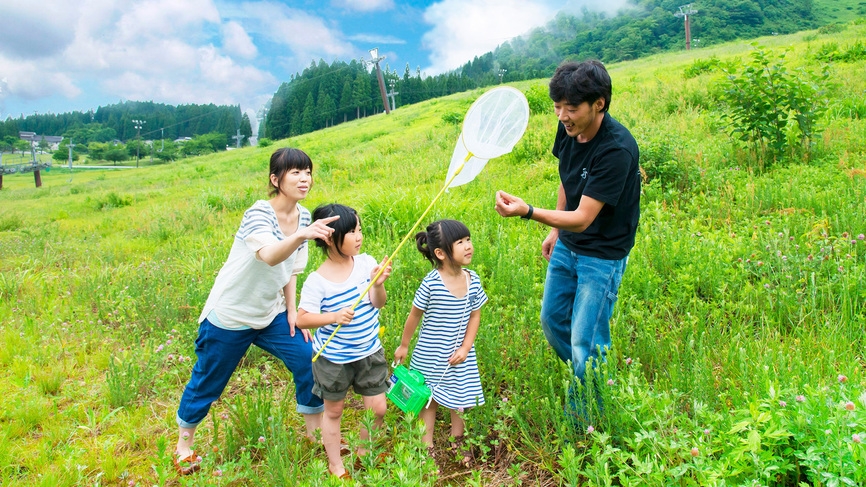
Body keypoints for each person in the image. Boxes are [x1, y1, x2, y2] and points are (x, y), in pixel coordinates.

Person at [172, 147, 338, 475]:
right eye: (295, 172)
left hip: (271, 312)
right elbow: (270, 255)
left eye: (307, 171)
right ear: (276, 180)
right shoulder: (258, 213)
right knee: (209, 379)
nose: (305, 178)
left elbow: (290, 270)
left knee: (309, 359)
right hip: (231, 314)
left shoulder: (304, 217)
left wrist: (292, 312)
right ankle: (183, 446)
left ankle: (313, 434)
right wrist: (302, 235)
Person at [494, 60, 641, 410]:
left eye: (571, 108)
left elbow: (584, 217)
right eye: (558, 106)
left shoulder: (616, 149)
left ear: (599, 104)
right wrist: (556, 231)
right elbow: (567, 177)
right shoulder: (570, 128)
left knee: (586, 340)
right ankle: (592, 376)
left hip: (601, 254)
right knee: (552, 320)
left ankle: (588, 423)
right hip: (569, 243)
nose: (562, 115)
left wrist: (529, 212)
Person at [296, 203, 393, 480]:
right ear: (328, 237)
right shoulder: (317, 281)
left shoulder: (365, 262)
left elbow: (379, 304)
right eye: (352, 232)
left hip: (369, 351)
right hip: (334, 359)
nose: (359, 236)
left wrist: (377, 284)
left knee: (378, 408)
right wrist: (333, 316)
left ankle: (364, 452)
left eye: (360, 229)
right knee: (334, 411)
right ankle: (336, 464)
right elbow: (302, 319)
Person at [394, 219, 488, 466]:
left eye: (468, 240)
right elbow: (415, 315)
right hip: (430, 353)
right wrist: (404, 345)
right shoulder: (431, 283)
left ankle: (459, 442)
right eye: (460, 242)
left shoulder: (473, 279)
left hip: (460, 355)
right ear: (440, 253)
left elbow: (475, 314)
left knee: (460, 400)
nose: (468, 246)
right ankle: (427, 447)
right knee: (429, 400)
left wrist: (466, 347)